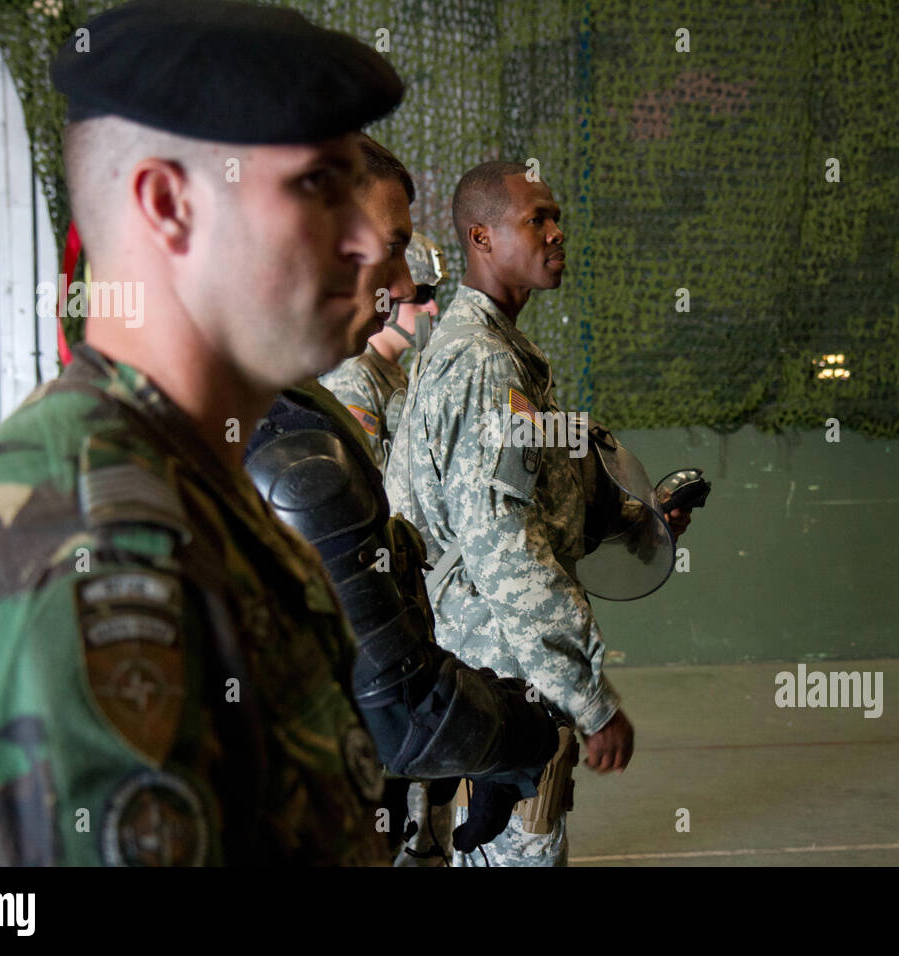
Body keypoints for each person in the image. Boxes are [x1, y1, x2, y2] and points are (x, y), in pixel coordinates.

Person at [0, 0, 407, 865]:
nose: (366, 243)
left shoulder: (189, 479)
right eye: (320, 184)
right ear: (168, 204)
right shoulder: (93, 562)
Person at [244, 135, 559, 868]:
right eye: (388, 250)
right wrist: (522, 733)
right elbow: (402, 711)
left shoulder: (279, 407)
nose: (400, 284)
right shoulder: (295, 449)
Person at [384, 162, 692, 866]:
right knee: (518, 852)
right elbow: (506, 550)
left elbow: (536, 504)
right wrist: (590, 700)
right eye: (537, 220)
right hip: (499, 668)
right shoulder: (485, 366)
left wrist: (637, 521)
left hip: (494, 665)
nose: (556, 233)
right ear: (481, 238)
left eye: (557, 219)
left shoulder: (495, 354)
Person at [319, 226, 449, 469]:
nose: (433, 309)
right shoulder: (355, 377)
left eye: (433, 295)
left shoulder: (393, 372)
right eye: (422, 295)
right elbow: (367, 476)